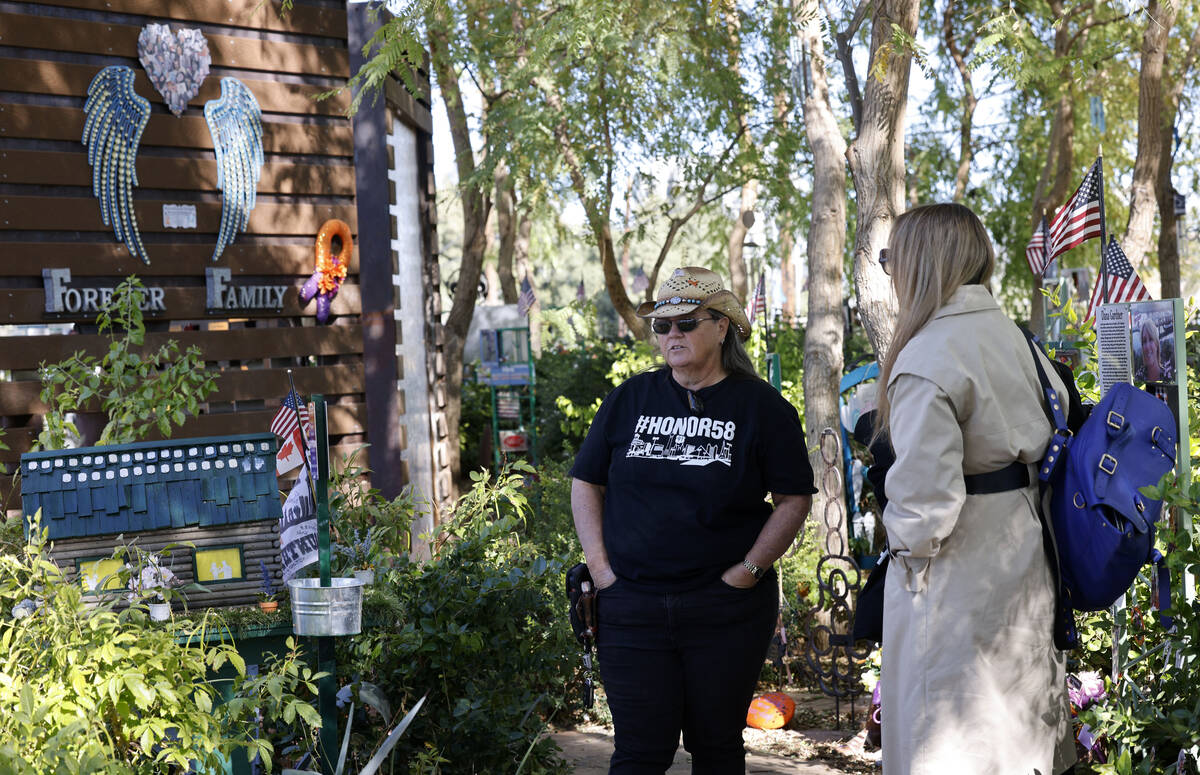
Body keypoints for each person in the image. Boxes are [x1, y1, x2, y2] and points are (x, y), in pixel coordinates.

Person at [569, 267, 815, 774]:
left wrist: (748, 571)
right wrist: (602, 569)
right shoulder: (628, 400)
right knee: (640, 752)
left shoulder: (762, 407)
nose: (672, 334)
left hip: (723, 610)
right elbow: (585, 482)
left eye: (685, 322)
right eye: (662, 326)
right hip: (631, 605)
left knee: (717, 748)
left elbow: (793, 499)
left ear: (721, 326)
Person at [874, 203, 1077, 774]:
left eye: (892, 258)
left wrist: (901, 553)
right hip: (1026, 554)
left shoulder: (927, 355)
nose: (890, 273)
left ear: (921, 264)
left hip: (955, 577)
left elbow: (925, 506)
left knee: (953, 743)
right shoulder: (1019, 339)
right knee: (1017, 736)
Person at [1137, 316, 1164, 382]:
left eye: (1151, 339)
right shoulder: (1138, 377)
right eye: (1144, 341)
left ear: (1157, 344)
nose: (1148, 347)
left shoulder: (1167, 376)